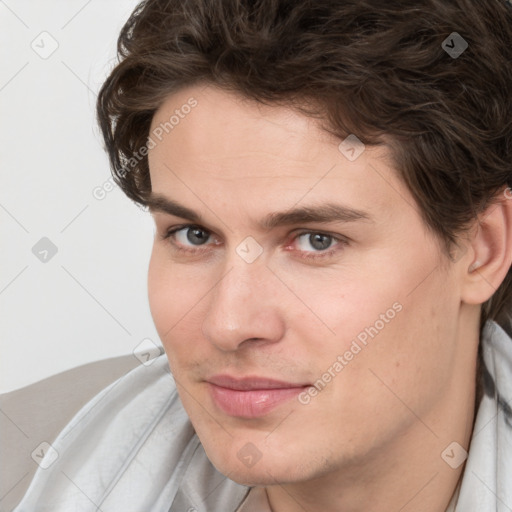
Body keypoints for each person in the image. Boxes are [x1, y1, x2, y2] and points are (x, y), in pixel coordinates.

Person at [14, 0, 512, 510]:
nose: (229, 324)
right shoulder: (22, 463)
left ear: (483, 250)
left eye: (316, 240)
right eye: (193, 234)